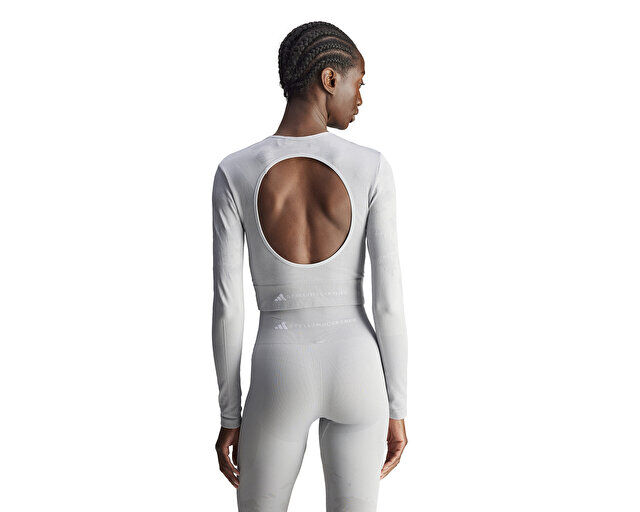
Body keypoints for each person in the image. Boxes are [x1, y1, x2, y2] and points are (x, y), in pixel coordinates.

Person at [212, 21, 409, 511]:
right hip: (358, 366)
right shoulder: (371, 167)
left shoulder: (236, 171)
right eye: (358, 83)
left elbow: (228, 308)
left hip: (279, 365)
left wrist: (230, 414)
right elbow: (388, 304)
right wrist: (397, 406)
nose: (360, 98)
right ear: (329, 78)